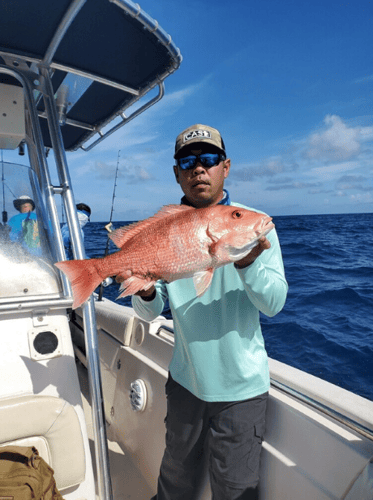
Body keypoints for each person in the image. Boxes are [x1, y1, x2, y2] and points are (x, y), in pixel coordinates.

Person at [132, 124, 288, 500]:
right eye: (187, 161)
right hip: (186, 382)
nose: (198, 168)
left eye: (209, 159)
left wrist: (248, 265)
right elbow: (147, 313)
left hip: (242, 390)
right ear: (177, 173)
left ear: (226, 166)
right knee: (175, 482)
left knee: (236, 492)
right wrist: (147, 287)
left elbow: (274, 303)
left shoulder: (254, 222)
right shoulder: (164, 229)